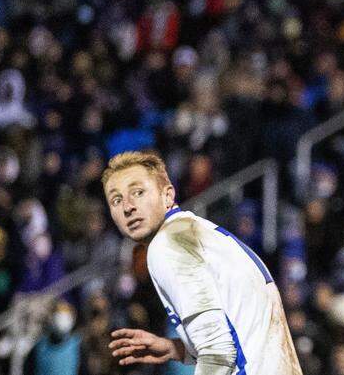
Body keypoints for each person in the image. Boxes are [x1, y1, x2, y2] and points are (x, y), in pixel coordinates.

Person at [102, 151, 302, 374]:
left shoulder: (166, 245)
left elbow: (219, 355)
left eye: (138, 192)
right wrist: (174, 348)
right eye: (116, 200)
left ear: (168, 195)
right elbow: (238, 336)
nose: (128, 207)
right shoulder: (200, 233)